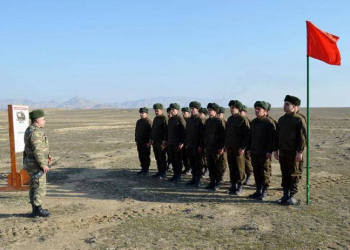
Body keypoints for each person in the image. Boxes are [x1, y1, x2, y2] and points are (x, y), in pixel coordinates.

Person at [273, 95, 307, 205]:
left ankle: (292, 196)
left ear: (295, 106)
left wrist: (300, 152)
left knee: (294, 174)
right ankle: (285, 195)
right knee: (285, 174)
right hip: (283, 152)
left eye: (287, 104)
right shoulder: (282, 119)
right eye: (284, 104)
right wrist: (275, 150)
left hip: (294, 152)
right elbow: (277, 136)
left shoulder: (299, 119)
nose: (285, 106)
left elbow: (302, 137)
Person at [24, 109, 51, 217]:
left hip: (31, 163)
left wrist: (47, 155)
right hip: (35, 165)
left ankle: (35, 209)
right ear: (37, 120)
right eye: (43, 119)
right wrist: (43, 164)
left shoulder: (30, 130)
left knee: (34, 186)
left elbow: (37, 149)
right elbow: (37, 150)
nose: (45, 121)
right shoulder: (35, 132)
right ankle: (38, 209)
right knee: (39, 186)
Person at [247, 101, 276, 200]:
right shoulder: (254, 122)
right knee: (256, 170)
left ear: (265, 111)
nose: (256, 110)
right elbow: (250, 137)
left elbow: (272, 138)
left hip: (264, 152)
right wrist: (249, 148)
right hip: (255, 151)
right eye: (256, 109)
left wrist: (269, 151)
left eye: (259, 109)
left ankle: (264, 191)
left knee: (264, 171)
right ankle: (258, 190)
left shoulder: (269, 122)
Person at [225, 100, 250, 195]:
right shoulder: (230, 119)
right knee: (232, 166)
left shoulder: (243, 119)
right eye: (231, 107)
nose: (231, 109)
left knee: (240, 167)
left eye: (233, 108)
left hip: (238, 148)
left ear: (238, 109)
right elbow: (227, 134)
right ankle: (233, 185)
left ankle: (240, 186)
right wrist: (226, 145)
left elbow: (246, 135)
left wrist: (243, 148)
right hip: (230, 147)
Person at [201, 103, 226, 191]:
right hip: (208, 147)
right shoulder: (207, 122)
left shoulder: (219, 121)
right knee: (210, 165)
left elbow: (223, 135)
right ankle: (212, 181)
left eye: (211, 110)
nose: (209, 111)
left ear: (215, 111)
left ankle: (218, 182)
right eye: (208, 110)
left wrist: (221, 147)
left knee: (217, 165)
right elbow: (205, 134)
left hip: (216, 148)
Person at [185, 101, 205, 187]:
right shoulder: (189, 120)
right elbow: (187, 132)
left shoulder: (201, 119)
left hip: (197, 145)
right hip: (190, 144)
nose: (192, 110)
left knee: (198, 163)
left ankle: (199, 179)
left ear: (198, 109)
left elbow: (203, 134)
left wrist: (201, 145)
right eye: (191, 108)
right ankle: (193, 178)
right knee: (192, 162)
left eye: (193, 108)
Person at [167, 103, 186, 183]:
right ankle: (175, 174)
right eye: (171, 109)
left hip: (177, 143)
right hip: (170, 143)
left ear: (177, 110)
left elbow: (184, 131)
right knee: (172, 159)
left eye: (173, 110)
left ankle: (178, 176)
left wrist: (182, 142)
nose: (171, 111)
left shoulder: (180, 119)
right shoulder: (170, 119)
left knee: (178, 160)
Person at [150, 103, 168, 179]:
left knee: (162, 157)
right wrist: (151, 139)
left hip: (161, 142)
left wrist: (165, 140)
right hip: (155, 141)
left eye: (157, 110)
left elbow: (167, 130)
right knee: (157, 157)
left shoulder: (164, 118)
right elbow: (153, 130)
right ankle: (159, 171)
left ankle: (163, 172)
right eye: (155, 111)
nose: (156, 112)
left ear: (161, 110)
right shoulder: (155, 119)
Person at [135, 107, 152, 175]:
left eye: (143, 113)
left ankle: (146, 169)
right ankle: (143, 168)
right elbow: (136, 131)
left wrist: (149, 141)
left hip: (146, 142)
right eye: (140, 113)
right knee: (141, 155)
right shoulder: (138, 122)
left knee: (146, 155)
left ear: (146, 113)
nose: (141, 114)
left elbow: (151, 133)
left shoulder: (149, 121)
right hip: (139, 141)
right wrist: (136, 140)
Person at [240, 105, 253, 185]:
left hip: (246, 145)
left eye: (242, 111)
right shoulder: (238, 120)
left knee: (246, 161)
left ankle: (248, 176)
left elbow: (249, 135)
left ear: (245, 112)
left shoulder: (248, 121)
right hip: (238, 145)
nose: (240, 113)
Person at [199, 108, 209, 178]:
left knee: (205, 158)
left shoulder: (205, 122)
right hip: (201, 142)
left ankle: (206, 170)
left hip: (206, 143)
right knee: (202, 158)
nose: (200, 114)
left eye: (201, 113)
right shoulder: (200, 121)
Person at [181, 107, 191, 175]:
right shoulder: (181, 120)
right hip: (183, 141)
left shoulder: (190, 121)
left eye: (185, 112)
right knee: (184, 156)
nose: (183, 113)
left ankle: (190, 168)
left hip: (189, 142)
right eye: (183, 112)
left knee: (189, 157)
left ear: (188, 113)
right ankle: (186, 168)